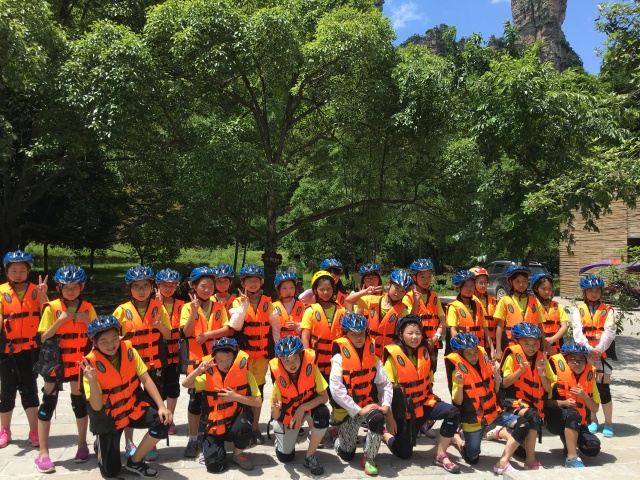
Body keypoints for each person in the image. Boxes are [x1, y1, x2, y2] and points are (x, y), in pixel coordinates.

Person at [79, 315, 172, 478]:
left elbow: (145, 378)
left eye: (114, 338)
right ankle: (101, 442)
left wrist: (161, 406)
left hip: (133, 408)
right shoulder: (90, 365)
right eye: (104, 341)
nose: (111, 345)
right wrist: (92, 381)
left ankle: (135, 461)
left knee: (163, 421)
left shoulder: (130, 351)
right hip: (111, 419)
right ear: (94, 342)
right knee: (111, 472)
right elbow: (96, 406)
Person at [34, 266, 97, 473]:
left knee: (79, 404)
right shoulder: (51, 308)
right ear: (59, 288)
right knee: (48, 404)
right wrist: (60, 321)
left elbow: (99, 335)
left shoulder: (87, 308)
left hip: (78, 362)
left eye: (74, 287)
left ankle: (82, 444)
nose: (70, 291)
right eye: (66, 287)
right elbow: (42, 337)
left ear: (82, 287)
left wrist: (88, 321)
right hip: (55, 362)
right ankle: (43, 453)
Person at [382, 315, 462, 474]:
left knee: (452, 413)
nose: (415, 337)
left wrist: (435, 407)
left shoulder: (425, 353)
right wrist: (389, 419)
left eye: (418, 333)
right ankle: (386, 434)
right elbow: (386, 392)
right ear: (400, 335)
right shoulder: (392, 358)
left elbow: (429, 384)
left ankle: (440, 454)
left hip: (423, 405)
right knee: (405, 454)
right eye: (410, 333)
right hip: (404, 412)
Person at [445, 332, 526, 475]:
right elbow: (458, 401)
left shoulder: (484, 364)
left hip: (492, 413)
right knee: (473, 458)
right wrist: (460, 383)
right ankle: (457, 437)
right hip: (473, 420)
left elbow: (495, 391)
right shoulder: (457, 372)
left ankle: (503, 460)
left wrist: (497, 378)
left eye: (475, 352)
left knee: (523, 424)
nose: (474, 356)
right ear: (461, 355)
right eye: (469, 354)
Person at [113, 266, 171, 462]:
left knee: (154, 403)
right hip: (130, 365)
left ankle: (151, 443)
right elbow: (112, 336)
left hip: (154, 365)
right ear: (130, 288)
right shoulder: (122, 310)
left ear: (152, 287)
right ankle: (129, 442)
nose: (141, 291)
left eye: (145, 286)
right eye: (136, 287)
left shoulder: (158, 307)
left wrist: (159, 326)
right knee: (129, 404)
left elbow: (168, 334)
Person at [181, 337, 261, 473]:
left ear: (235, 358)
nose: (225, 363)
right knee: (215, 467)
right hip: (215, 425)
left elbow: (258, 401)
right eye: (220, 360)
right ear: (214, 360)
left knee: (244, 424)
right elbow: (185, 384)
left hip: (236, 423)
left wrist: (235, 397)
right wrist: (198, 370)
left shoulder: (247, 375)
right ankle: (215, 451)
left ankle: (237, 454)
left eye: (228, 359)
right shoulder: (208, 378)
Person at [330, 313, 393, 476]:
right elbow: (336, 391)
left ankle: (369, 458)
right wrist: (358, 410)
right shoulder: (338, 359)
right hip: (348, 411)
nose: (359, 338)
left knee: (378, 419)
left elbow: (385, 383)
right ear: (345, 335)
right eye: (353, 334)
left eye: (362, 333)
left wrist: (386, 404)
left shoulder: (373, 357)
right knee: (347, 454)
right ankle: (338, 441)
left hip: (368, 406)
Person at [0, 250, 48, 449]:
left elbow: (47, 314)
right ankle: (4, 429)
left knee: (29, 389)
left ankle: (34, 430)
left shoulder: (37, 291)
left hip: (29, 350)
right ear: (7, 272)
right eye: (13, 270)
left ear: (28, 271)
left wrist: (43, 296)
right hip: (7, 351)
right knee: (6, 390)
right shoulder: (1, 292)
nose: (18, 274)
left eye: (22, 270)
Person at [180, 266, 230, 457]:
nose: (208, 290)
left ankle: (210, 435)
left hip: (215, 361)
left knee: (213, 399)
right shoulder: (187, 308)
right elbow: (186, 332)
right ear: (194, 286)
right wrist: (194, 311)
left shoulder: (219, 307)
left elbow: (226, 329)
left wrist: (208, 334)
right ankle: (193, 438)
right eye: (203, 286)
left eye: (210, 286)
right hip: (196, 362)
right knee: (195, 402)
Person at [228, 264, 277, 445]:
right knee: (241, 391)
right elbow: (235, 325)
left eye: (256, 280)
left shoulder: (268, 302)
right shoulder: (236, 302)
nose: (253, 283)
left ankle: (255, 427)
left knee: (258, 393)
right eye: (249, 280)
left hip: (261, 356)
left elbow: (275, 328)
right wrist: (243, 306)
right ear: (243, 283)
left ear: (261, 282)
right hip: (243, 356)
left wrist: (276, 349)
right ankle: (240, 427)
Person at [497, 322, 554, 470]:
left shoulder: (542, 358)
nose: (531, 347)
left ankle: (502, 433)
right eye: (526, 343)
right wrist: (520, 370)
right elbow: (505, 383)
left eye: (535, 344)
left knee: (522, 449)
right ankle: (530, 460)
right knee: (532, 415)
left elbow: (548, 388)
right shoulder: (512, 355)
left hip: (532, 405)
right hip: (512, 403)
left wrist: (542, 373)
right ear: (517, 342)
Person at [269, 336, 329, 475]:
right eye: (287, 361)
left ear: (301, 356)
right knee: (285, 457)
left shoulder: (312, 369)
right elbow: (275, 415)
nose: (292, 364)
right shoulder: (279, 378)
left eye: (295, 358)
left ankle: (309, 456)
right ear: (280, 361)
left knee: (323, 414)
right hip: (290, 415)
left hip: (308, 407)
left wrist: (302, 408)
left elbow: (324, 397)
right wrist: (276, 409)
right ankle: (281, 440)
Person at [572, 274, 617, 437]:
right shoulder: (578, 309)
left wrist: (598, 349)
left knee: (604, 389)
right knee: (589, 388)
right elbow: (577, 332)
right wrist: (589, 350)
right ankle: (593, 420)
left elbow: (610, 332)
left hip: (603, 355)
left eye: (597, 290)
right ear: (584, 292)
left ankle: (609, 423)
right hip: (586, 354)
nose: (594, 293)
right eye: (590, 290)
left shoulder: (608, 310)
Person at [545, 342, 601, 468]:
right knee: (572, 414)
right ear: (566, 361)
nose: (577, 363)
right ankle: (572, 457)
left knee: (592, 448)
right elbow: (545, 402)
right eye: (573, 360)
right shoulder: (556, 373)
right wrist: (564, 403)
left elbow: (595, 408)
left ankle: (568, 443)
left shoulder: (590, 375)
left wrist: (584, 396)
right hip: (555, 419)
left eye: (581, 360)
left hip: (579, 423)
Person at [346, 269, 416, 359]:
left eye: (402, 291)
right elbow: (349, 300)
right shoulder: (372, 300)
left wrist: (416, 302)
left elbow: (411, 326)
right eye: (397, 288)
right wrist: (364, 292)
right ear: (388, 285)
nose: (398, 293)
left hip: (387, 355)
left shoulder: (402, 310)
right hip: (369, 351)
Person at [154, 269, 184, 436]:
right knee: (157, 387)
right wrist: (158, 305)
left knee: (173, 386)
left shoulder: (182, 305)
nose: (168, 289)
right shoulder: (151, 304)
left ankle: (170, 418)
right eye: (164, 285)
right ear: (158, 286)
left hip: (175, 354)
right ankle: (159, 416)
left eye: (172, 286)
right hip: (157, 353)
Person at [301, 270, 345, 383]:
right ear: (315, 291)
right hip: (316, 360)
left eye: (329, 289)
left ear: (333, 289)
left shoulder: (342, 311)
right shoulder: (310, 311)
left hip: (336, 361)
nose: (325, 292)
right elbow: (305, 337)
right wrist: (307, 357)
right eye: (321, 289)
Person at [494, 265, 545, 360]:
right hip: (512, 345)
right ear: (510, 282)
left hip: (532, 348)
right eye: (517, 281)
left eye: (524, 281)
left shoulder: (534, 301)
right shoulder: (504, 301)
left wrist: (543, 348)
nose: (521, 284)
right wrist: (498, 349)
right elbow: (500, 326)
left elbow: (540, 326)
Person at [406, 259, 446, 368]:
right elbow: (408, 321)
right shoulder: (408, 296)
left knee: (431, 372)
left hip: (432, 343)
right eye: (422, 277)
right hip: (414, 343)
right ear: (414, 278)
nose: (426, 280)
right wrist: (416, 302)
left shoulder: (434, 296)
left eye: (429, 276)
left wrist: (435, 338)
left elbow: (442, 321)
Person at [446, 269, 493, 356]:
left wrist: (492, 350)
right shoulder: (454, 307)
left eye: (472, 285)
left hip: (478, 349)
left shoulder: (478, 305)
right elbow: (453, 329)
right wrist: (459, 347)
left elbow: (485, 329)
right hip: (464, 351)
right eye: (466, 286)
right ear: (459, 287)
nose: (469, 288)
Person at [530, 273, 568, 354]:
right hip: (538, 348)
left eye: (549, 289)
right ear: (536, 289)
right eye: (543, 289)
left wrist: (552, 340)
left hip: (556, 347)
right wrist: (545, 344)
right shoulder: (532, 305)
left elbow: (564, 327)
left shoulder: (557, 305)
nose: (547, 292)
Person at [470, 266, 498, 348]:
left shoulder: (493, 301)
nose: (483, 285)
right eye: (480, 283)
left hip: (490, 343)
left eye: (485, 282)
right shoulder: (468, 301)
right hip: (474, 344)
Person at [272, 272, 305, 338]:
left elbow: (308, 325)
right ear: (278, 290)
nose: (288, 291)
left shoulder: (302, 305)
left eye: (291, 287)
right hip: (280, 341)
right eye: (284, 288)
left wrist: (297, 326)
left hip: (298, 341)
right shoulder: (273, 307)